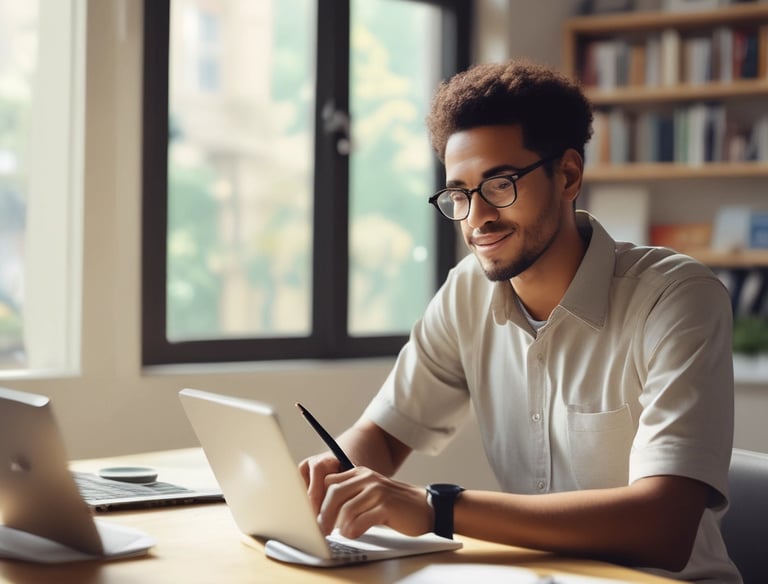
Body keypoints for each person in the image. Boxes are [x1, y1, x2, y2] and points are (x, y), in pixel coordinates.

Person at [299, 59, 740, 583]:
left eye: (500, 184)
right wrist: (331, 478)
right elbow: (388, 434)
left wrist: (437, 507)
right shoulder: (467, 292)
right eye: (458, 193)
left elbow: (663, 527)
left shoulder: (675, 298)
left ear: (569, 175)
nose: (476, 216)